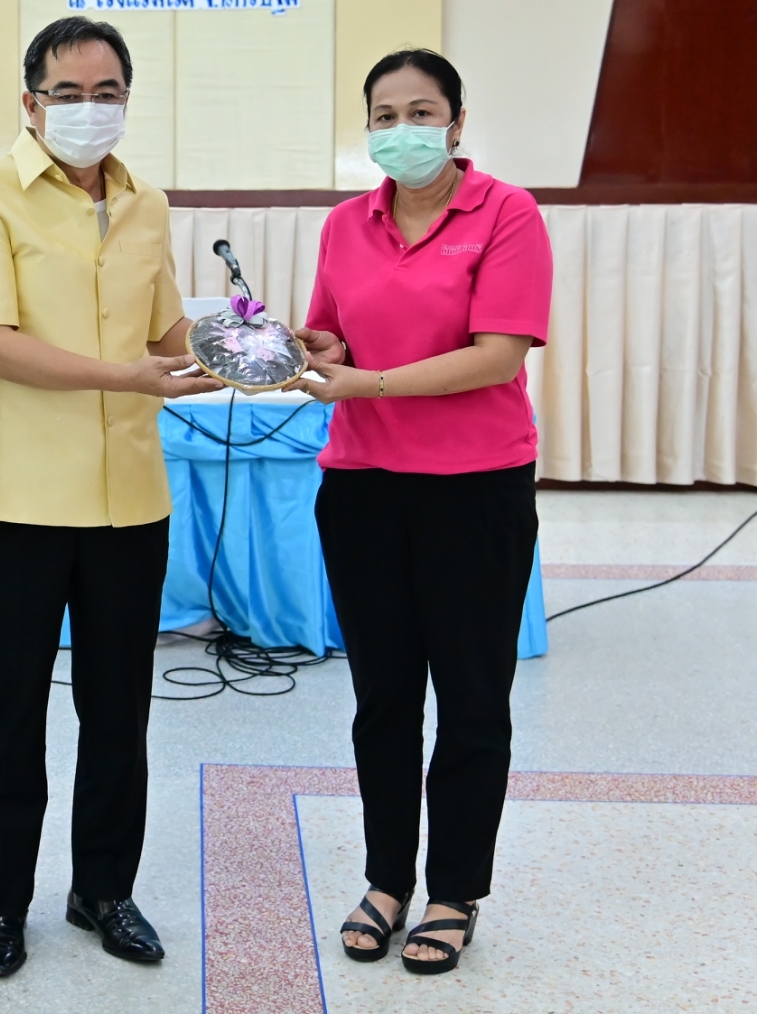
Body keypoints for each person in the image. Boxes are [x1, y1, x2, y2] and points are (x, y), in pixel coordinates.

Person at [0, 15, 220, 979]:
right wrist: (127, 378)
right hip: (16, 501)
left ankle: (103, 889)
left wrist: (256, 347)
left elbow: (168, 333)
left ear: (127, 102)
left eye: (107, 94)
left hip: (128, 501)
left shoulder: (147, 204)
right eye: (68, 94)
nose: (88, 110)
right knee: (9, 710)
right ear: (31, 103)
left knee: (120, 712)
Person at [296, 49, 552, 977]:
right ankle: (386, 879)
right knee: (383, 702)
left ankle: (454, 890)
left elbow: (497, 354)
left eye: (421, 111)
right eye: (384, 114)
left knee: (474, 701)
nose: (401, 129)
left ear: (456, 122)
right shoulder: (344, 224)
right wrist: (313, 348)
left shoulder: (506, 213)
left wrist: (368, 382)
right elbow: (332, 332)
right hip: (363, 488)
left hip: (473, 490)